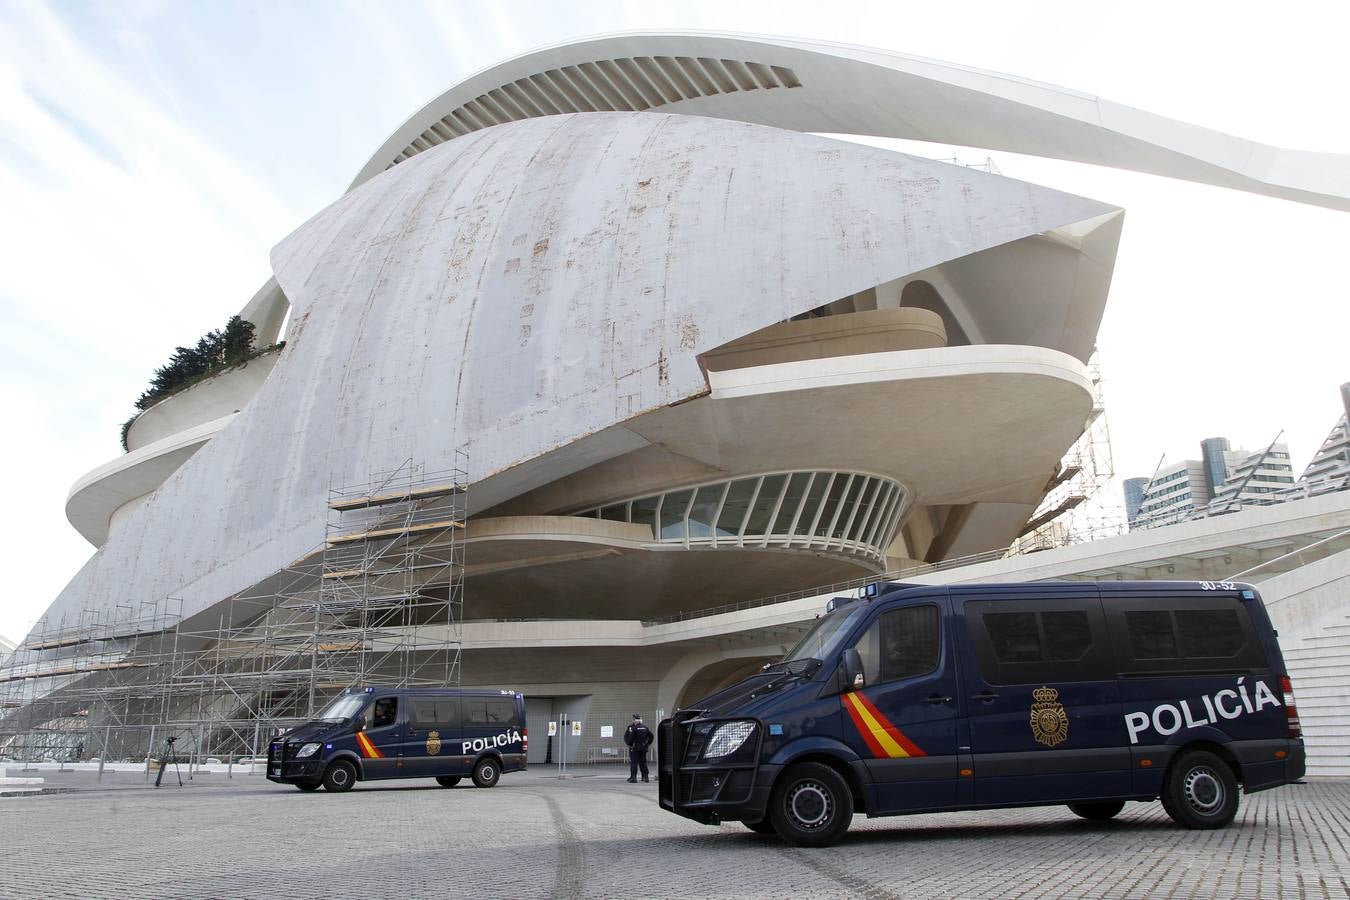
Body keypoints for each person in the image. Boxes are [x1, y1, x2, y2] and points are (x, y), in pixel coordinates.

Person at [624, 713, 653, 783]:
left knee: (634, 763)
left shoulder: (633, 728)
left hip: (635, 748)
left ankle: (634, 777)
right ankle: (645, 777)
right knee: (643, 762)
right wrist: (647, 744)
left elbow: (630, 738)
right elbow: (651, 736)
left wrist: (629, 744)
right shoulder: (645, 727)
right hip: (643, 748)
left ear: (634, 720)